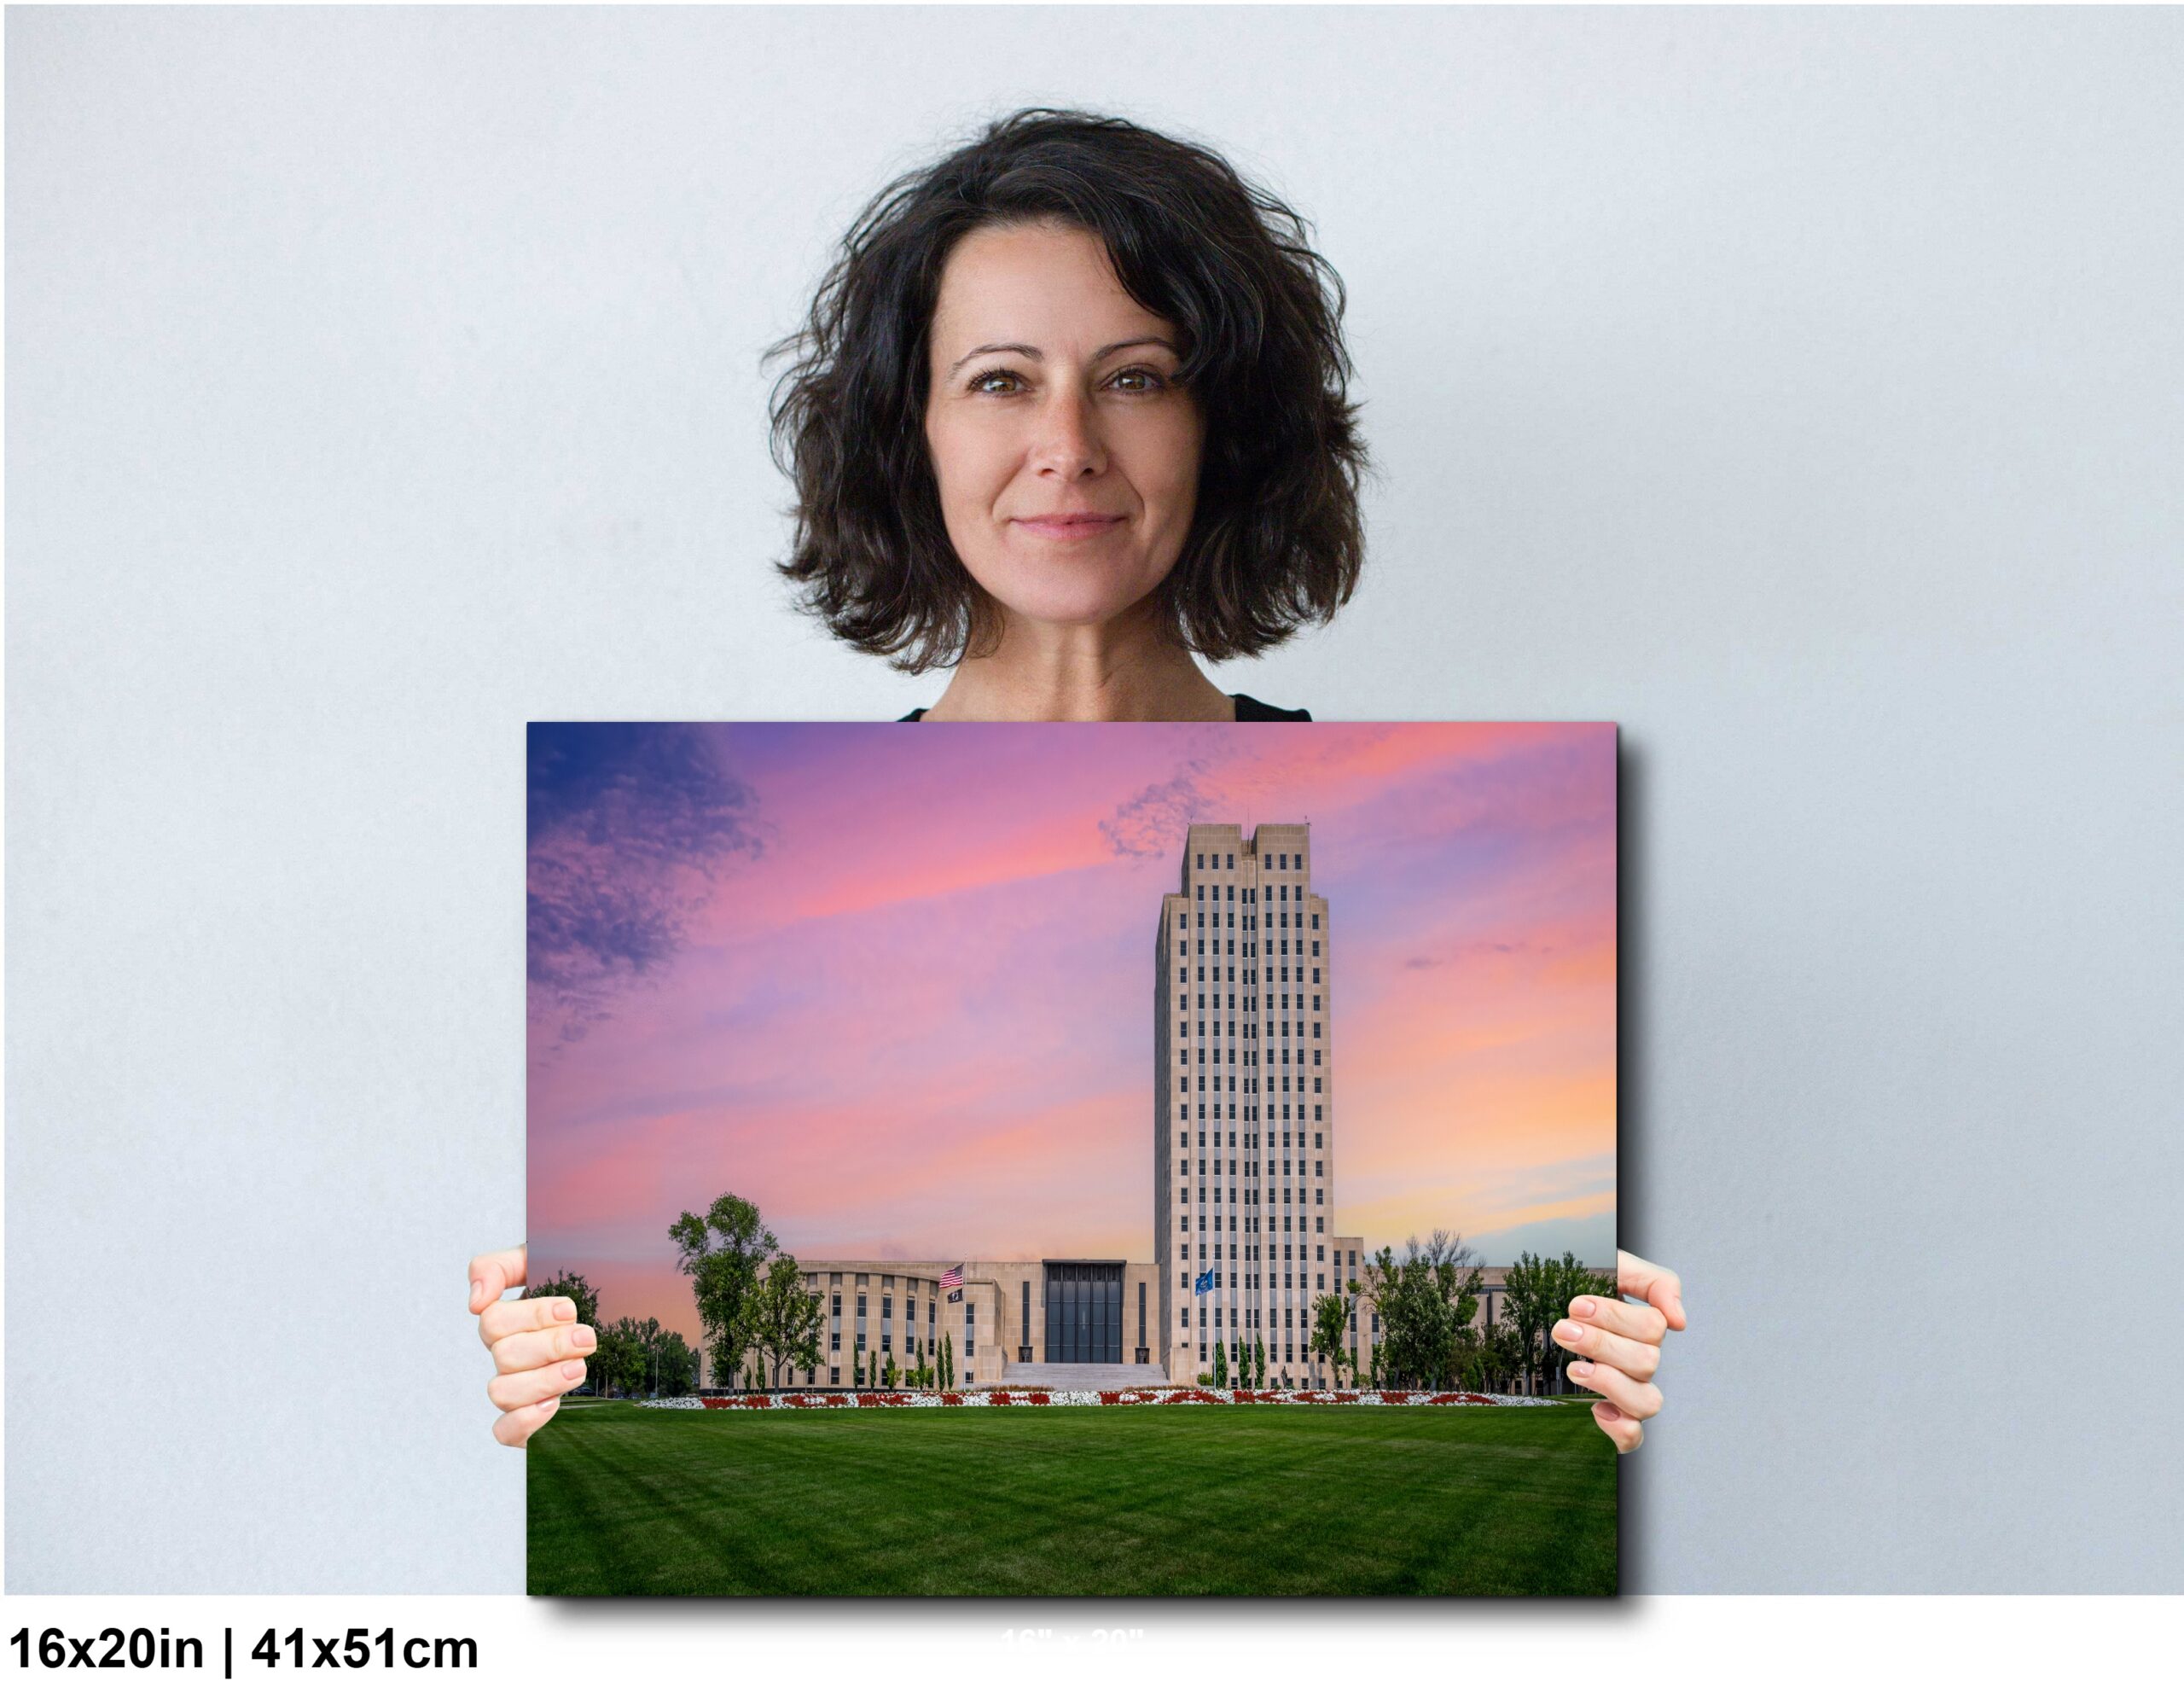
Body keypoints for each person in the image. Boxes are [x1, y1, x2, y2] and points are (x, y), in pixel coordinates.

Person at [475, 107, 1685, 1450]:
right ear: (915, 432)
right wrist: (550, 1366)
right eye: (1001, 380)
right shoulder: (802, 844)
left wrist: (1594, 1347)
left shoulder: (1367, 800)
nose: (1069, 445)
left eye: (1137, 378)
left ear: (1221, 427)